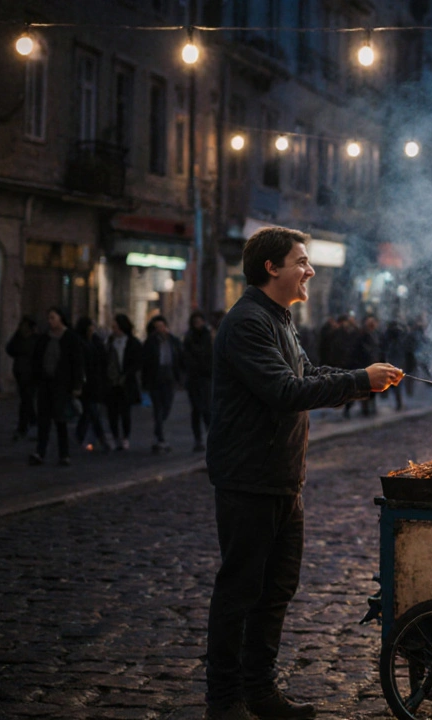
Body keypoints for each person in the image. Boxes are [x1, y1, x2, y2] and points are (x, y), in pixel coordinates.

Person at [203, 226, 404, 720]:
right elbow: (284, 391)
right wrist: (360, 379)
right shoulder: (248, 321)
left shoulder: (281, 318)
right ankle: (224, 700)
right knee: (239, 591)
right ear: (272, 268)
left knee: (275, 591)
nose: (309, 269)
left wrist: (363, 381)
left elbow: (308, 373)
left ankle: (261, 691)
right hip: (249, 478)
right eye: (301, 261)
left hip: (282, 478)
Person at [29, 307, 84, 467]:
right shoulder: (45, 338)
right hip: (46, 384)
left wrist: (77, 385)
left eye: (53, 317)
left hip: (62, 385)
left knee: (61, 420)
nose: (50, 321)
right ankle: (40, 452)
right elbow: (37, 359)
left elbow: (77, 363)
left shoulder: (70, 338)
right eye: (49, 318)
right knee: (44, 420)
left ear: (61, 318)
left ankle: (64, 454)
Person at [142, 315, 185, 454]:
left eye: (162, 326)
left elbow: (180, 358)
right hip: (156, 378)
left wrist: (180, 378)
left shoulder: (173, 341)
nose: (161, 330)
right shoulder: (151, 342)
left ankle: (158, 431)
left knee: (166, 406)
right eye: (157, 327)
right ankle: (160, 437)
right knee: (158, 408)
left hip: (169, 377)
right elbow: (146, 363)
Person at [73, 317, 112, 454]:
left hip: (96, 382)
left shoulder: (96, 341)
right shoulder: (80, 342)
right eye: (90, 326)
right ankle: (101, 439)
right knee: (92, 411)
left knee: (89, 412)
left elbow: (103, 360)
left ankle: (80, 436)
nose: (92, 328)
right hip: (85, 382)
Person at [105, 314, 143, 450]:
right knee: (112, 413)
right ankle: (116, 437)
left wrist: (128, 373)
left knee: (125, 412)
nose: (113, 329)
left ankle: (125, 437)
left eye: (115, 326)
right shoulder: (110, 342)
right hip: (112, 382)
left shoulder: (132, 343)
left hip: (126, 382)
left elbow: (137, 362)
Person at [184, 311, 214, 452]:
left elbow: (210, 355)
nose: (198, 324)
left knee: (207, 408)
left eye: (199, 321)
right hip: (194, 378)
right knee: (196, 409)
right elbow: (186, 356)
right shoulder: (189, 337)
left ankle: (211, 436)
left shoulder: (209, 336)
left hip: (206, 376)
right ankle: (198, 439)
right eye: (195, 322)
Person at [6, 316, 38, 441]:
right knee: (26, 399)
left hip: (32, 374)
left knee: (26, 400)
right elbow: (9, 349)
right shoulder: (18, 338)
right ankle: (31, 423)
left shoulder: (35, 339)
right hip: (21, 373)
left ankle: (24, 426)